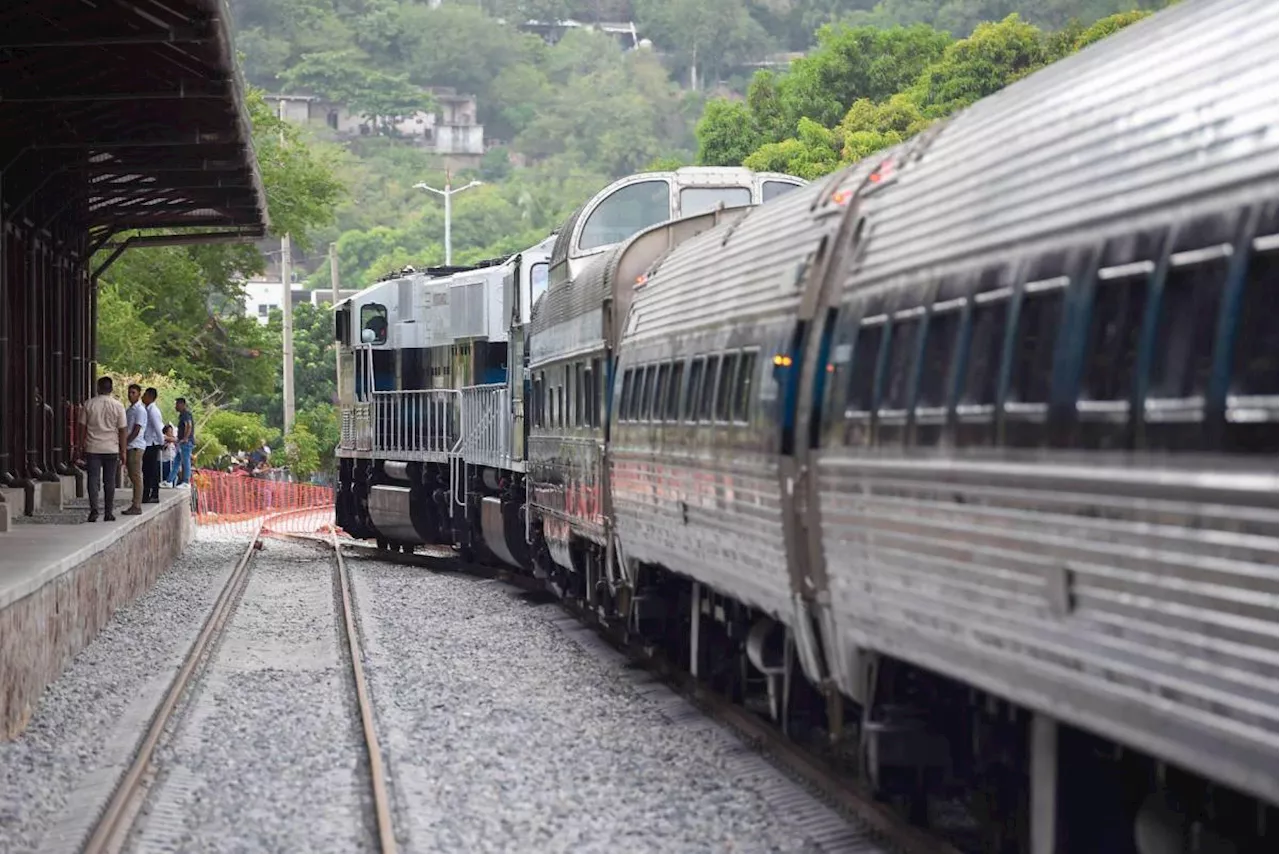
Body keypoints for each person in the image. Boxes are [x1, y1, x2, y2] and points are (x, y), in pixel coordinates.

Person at [78, 376, 127, 522]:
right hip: (111, 448)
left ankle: (94, 510)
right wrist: (123, 450)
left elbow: (82, 427)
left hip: (93, 447)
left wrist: (81, 445)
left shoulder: (89, 404)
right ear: (111, 389)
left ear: (98, 388)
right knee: (110, 480)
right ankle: (108, 512)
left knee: (93, 480)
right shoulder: (118, 406)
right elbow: (123, 430)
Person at [123, 383, 147, 516]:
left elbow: (137, 429)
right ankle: (135, 503)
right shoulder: (129, 410)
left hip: (136, 446)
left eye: (133, 392)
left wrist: (126, 441)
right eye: (129, 392)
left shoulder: (140, 410)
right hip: (130, 446)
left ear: (139, 394)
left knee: (136, 476)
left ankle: (137, 504)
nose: (130, 395)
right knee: (133, 475)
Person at [142, 387, 164, 504]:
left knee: (151, 470)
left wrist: (162, 442)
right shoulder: (147, 409)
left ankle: (152, 493)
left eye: (144, 395)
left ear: (150, 397)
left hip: (151, 444)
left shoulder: (152, 410)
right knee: (147, 470)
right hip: (148, 443)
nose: (142, 397)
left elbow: (158, 428)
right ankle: (147, 494)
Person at [174, 397, 195, 486]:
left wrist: (185, 438)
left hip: (186, 442)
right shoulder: (183, 415)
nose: (176, 406)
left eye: (177, 404)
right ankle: (169, 480)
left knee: (186, 461)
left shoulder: (186, 414)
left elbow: (188, 425)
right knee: (177, 461)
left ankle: (186, 481)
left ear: (182, 405)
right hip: (182, 442)